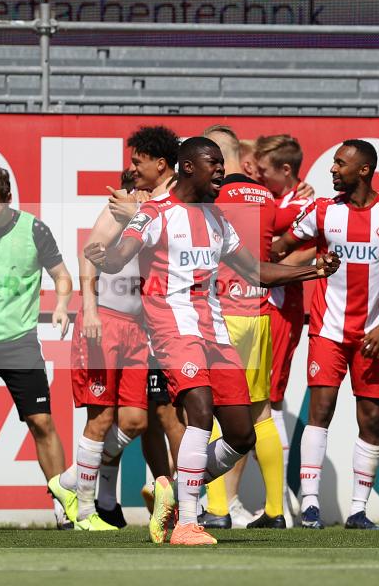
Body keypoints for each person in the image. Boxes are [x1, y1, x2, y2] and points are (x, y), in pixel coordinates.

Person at [86, 136, 340, 546]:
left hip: (215, 331)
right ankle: (188, 521)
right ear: (188, 167)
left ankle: (175, 489)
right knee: (199, 409)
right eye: (214, 164)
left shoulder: (218, 220)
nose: (222, 170)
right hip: (172, 328)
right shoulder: (155, 213)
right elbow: (121, 254)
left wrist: (313, 270)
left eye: (222, 163)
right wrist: (105, 256)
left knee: (242, 435)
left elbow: (256, 270)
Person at [273, 139, 379, 530]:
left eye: (341, 164)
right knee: (319, 412)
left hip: (373, 335)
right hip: (327, 329)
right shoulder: (322, 211)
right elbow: (280, 247)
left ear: (364, 170)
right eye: (334, 163)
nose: (333, 169)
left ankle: (358, 510)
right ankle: (310, 505)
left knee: (370, 419)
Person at [0, 167, 74, 531]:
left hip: (20, 343)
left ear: (7, 201)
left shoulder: (34, 229)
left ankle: (62, 510)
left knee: (42, 423)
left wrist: (64, 305)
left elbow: (62, 275)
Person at [201, 125, 286, 530]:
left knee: (215, 409)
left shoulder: (212, 196)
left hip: (223, 312)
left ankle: (217, 508)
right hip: (258, 314)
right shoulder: (266, 196)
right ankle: (274, 510)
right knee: (261, 411)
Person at [99, 126, 186, 513]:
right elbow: (94, 252)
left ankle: (183, 497)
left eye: (138, 163)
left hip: (170, 325)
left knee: (171, 414)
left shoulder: (173, 202)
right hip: (137, 328)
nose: (133, 170)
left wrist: (139, 212)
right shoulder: (127, 208)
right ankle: (164, 492)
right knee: (149, 416)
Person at [255, 134, 315, 524]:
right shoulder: (276, 201)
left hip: (278, 304)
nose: (256, 175)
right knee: (260, 398)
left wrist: (276, 254)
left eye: (263, 171)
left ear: (286, 170)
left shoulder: (305, 203)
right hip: (259, 302)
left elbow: (312, 246)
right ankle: (280, 504)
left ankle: (281, 505)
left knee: (272, 398)